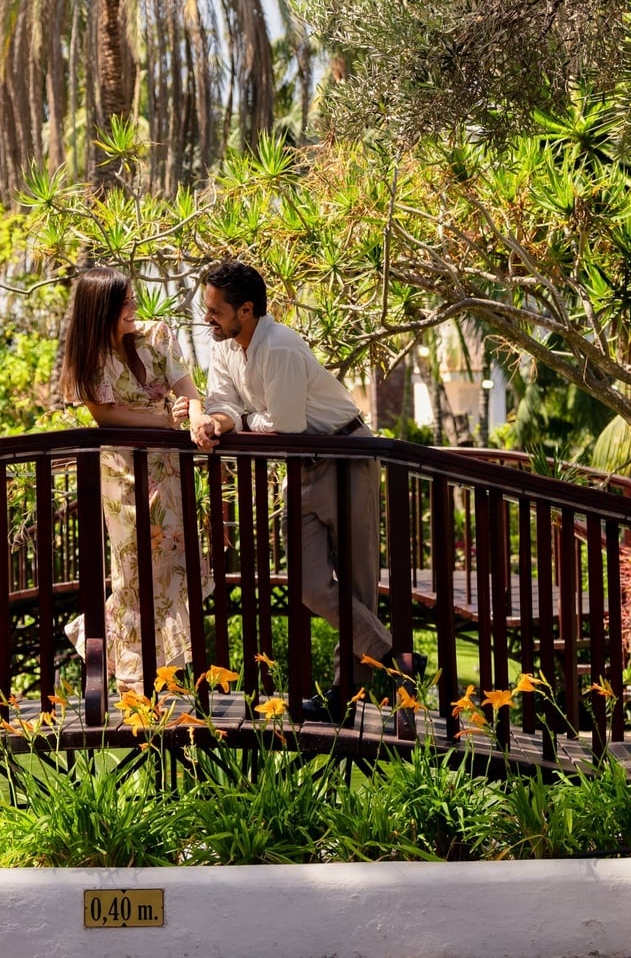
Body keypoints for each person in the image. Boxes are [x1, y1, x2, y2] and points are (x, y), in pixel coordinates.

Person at [190, 259, 419, 714]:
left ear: (247, 310)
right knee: (310, 583)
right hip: (300, 468)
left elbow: (287, 425)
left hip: (346, 456)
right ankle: (395, 659)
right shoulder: (225, 346)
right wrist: (217, 423)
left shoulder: (280, 348)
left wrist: (241, 421)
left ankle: (344, 696)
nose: (206, 319)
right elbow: (223, 403)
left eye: (215, 311)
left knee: (357, 583)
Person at [60, 267, 211, 693]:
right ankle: (132, 679)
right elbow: (105, 416)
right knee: (132, 572)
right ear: (102, 308)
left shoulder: (155, 336)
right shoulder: (88, 354)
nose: (134, 307)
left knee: (171, 568)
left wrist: (193, 416)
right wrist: (164, 418)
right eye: (124, 302)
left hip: (168, 470)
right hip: (122, 476)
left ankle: (154, 674)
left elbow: (188, 391)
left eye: (132, 299)